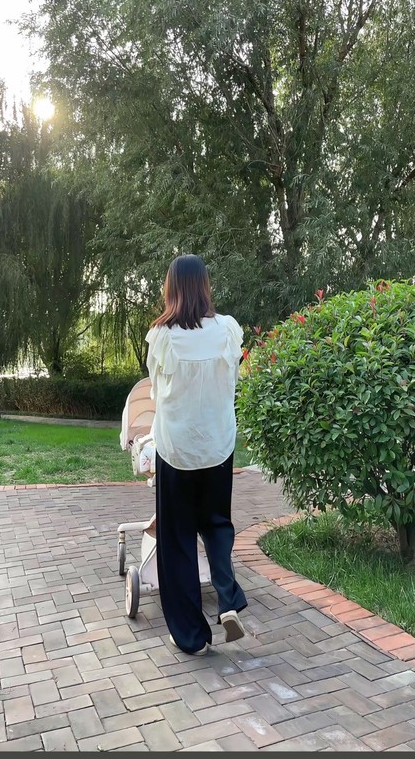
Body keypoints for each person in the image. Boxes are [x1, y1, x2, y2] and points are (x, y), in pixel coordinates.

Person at [145, 254, 247, 655]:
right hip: (218, 447)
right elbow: (233, 382)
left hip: (177, 450)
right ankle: (228, 600)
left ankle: (192, 636)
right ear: (205, 285)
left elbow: (156, 393)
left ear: (171, 288)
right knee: (217, 524)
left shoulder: (162, 336)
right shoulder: (229, 329)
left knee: (178, 540)